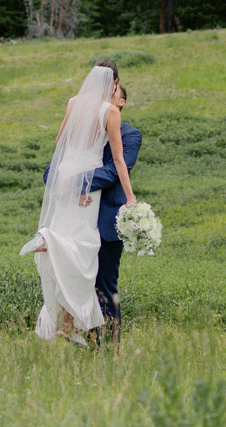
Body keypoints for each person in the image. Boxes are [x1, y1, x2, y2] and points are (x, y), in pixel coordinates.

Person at [19, 62, 135, 343]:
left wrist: (68, 178)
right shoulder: (110, 112)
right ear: (115, 81)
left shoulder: (74, 102)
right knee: (85, 244)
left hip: (68, 167)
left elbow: (60, 141)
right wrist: (130, 197)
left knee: (68, 229)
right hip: (87, 175)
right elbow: (118, 161)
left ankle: (48, 238)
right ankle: (48, 238)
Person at [85, 58, 141, 344]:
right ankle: (82, 340)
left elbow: (113, 172)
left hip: (106, 222)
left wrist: (78, 183)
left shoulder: (131, 135)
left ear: (121, 102)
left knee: (106, 285)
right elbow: (54, 169)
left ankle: (110, 344)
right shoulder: (85, 128)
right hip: (78, 223)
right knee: (80, 284)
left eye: (113, 95)